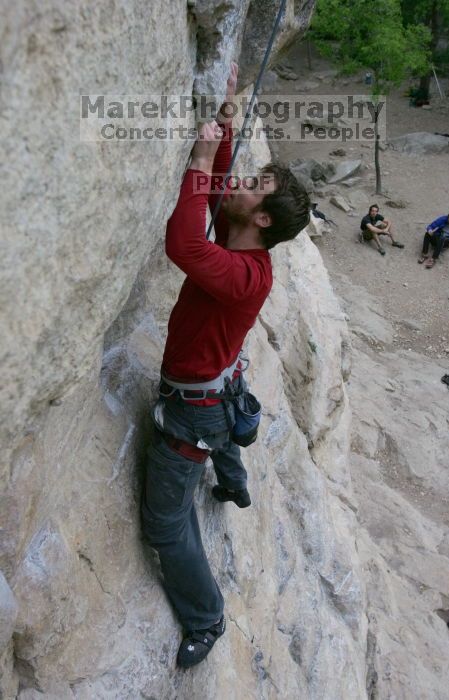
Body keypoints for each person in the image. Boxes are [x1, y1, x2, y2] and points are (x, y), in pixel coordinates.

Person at [141, 63, 310, 669]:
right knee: (221, 422)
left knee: (166, 524)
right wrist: (228, 127)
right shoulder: (242, 246)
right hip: (215, 390)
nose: (240, 182)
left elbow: (184, 242)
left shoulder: (241, 274)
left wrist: (200, 154)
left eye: (254, 185)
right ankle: (234, 482)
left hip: (192, 411)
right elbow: (214, 199)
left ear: (262, 219)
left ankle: (206, 618)